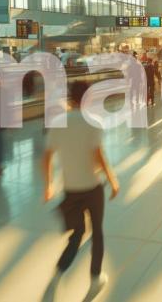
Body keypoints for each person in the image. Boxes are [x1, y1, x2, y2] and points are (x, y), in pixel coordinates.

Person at [43, 81, 119, 292]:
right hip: (92, 188)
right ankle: (96, 278)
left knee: (77, 233)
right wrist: (112, 180)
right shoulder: (94, 122)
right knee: (97, 232)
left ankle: (60, 270)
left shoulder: (58, 122)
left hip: (71, 189)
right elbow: (98, 155)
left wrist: (48, 185)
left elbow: (47, 156)